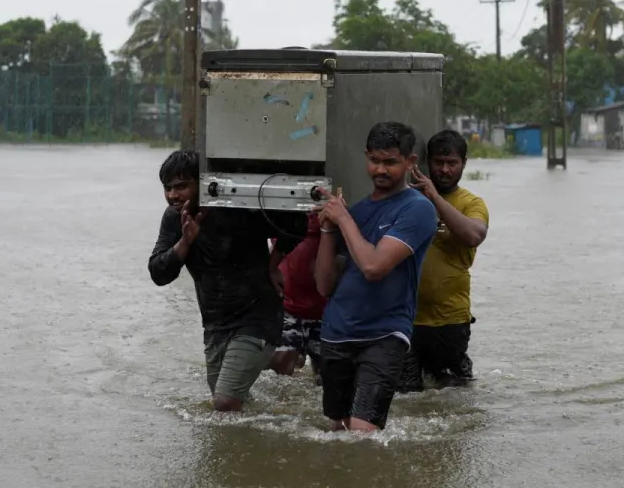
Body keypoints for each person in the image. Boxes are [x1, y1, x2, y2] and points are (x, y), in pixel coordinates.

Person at [148, 149, 301, 412]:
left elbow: (296, 222)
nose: (173, 195)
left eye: (182, 186)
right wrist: (185, 241)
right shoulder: (174, 218)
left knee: (225, 402)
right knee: (233, 406)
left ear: (202, 183)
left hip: (256, 315)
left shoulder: (234, 208)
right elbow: (158, 273)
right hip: (215, 323)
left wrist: (273, 264)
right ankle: (274, 362)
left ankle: (269, 355)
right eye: (168, 188)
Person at [313, 121, 439, 433]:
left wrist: (343, 220)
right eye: (374, 160)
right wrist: (328, 229)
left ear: (410, 162)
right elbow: (324, 285)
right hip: (336, 333)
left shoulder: (418, 209)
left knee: (362, 434)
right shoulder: (356, 212)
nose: (380, 170)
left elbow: (374, 267)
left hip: (384, 333)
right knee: (337, 430)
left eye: (390, 162)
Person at [399, 129, 489, 391]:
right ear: (427, 162)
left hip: (450, 321)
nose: (445, 170)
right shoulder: (408, 200)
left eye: (452, 163)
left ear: (464, 164)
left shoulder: (471, 203)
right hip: (405, 319)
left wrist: (435, 198)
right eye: (439, 162)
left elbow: (474, 235)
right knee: (406, 395)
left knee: (453, 393)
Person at [272, 212, 329, 384]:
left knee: (326, 378)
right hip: (288, 310)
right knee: (281, 374)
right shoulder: (283, 218)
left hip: (326, 313)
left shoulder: (336, 223)